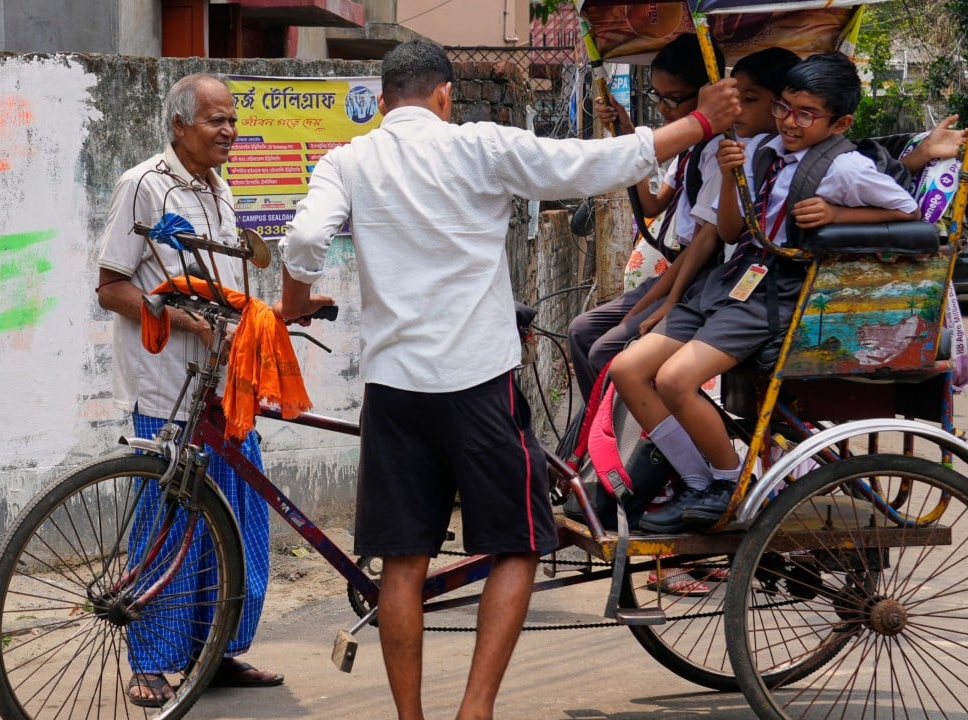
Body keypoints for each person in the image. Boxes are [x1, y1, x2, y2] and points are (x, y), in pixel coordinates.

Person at [278, 39, 738, 720]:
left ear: (381, 102)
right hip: (477, 384)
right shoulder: (479, 145)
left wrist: (293, 302)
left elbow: (304, 240)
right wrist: (700, 122)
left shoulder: (347, 160)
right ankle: (476, 711)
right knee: (518, 546)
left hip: (394, 388)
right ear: (445, 96)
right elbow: (591, 164)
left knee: (402, 565)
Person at [610, 52, 921, 534]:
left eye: (806, 114)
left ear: (840, 123)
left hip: (773, 292)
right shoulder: (764, 152)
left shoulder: (845, 167)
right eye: (784, 108)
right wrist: (730, 178)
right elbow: (731, 231)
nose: (790, 122)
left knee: (674, 380)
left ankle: (727, 481)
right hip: (732, 279)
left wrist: (838, 215)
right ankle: (700, 483)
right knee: (627, 369)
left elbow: (907, 211)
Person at [96, 73, 304, 706]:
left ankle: (217, 653)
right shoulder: (143, 185)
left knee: (236, 522)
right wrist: (188, 322)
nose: (229, 131)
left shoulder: (220, 189)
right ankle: (152, 664)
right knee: (168, 525)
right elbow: (111, 286)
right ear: (179, 125)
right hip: (167, 387)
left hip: (224, 385)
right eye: (217, 120)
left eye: (233, 120)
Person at [567, 34, 726, 405]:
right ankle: (597, 428)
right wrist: (626, 136)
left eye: (673, 98)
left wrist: (664, 301)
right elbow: (653, 204)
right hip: (676, 271)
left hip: (697, 277)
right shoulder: (690, 146)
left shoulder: (721, 151)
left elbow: (702, 244)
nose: (664, 109)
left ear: (707, 93)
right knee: (580, 331)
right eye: (658, 97)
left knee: (606, 350)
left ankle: (636, 433)